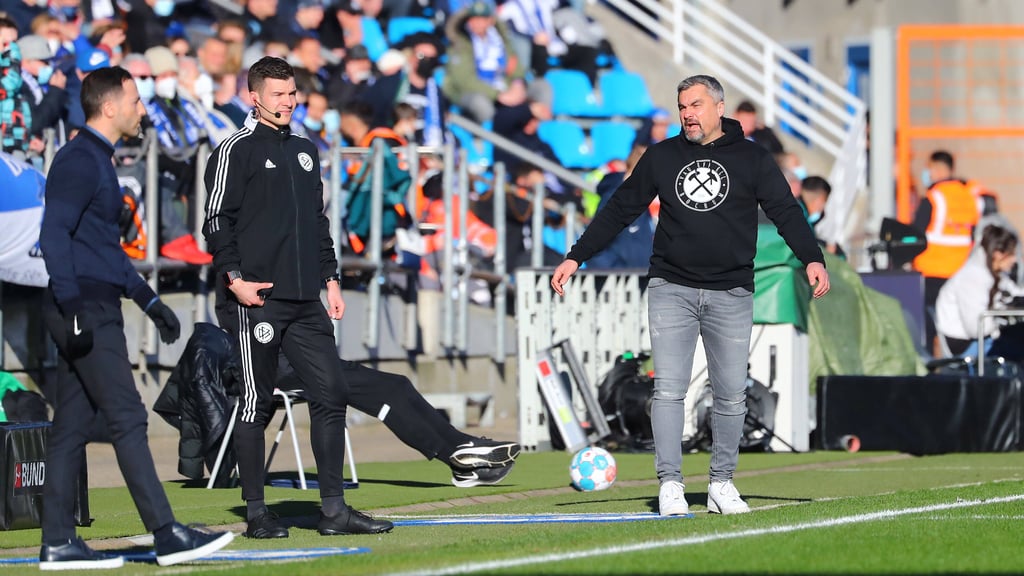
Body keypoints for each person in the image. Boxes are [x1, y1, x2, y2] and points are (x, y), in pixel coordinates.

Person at [550, 75, 829, 517]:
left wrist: (812, 258)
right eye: (682, 107)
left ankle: (721, 484)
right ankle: (671, 485)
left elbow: (785, 211)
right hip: (671, 287)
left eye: (695, 105)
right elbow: (621, 208)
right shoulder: (663, 156)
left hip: (732, 290)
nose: (687, 114)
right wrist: (575, 257)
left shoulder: (753, 158)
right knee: (668, 390)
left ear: (719, 107)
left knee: (732, 395)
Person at [37, 65, 234, 570]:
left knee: (71, 429)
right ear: (110, 107)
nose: (142, 110)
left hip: (93, 302)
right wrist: (72, 306)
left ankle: (58, 543)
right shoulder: (80, 160)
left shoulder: (98, 160)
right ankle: (166, 533)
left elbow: (105, 251)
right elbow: (53, 236)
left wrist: (149, 302)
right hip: (83, 307)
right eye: (136, 101)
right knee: (127, 417)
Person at [203, 56, 393, 539]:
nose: (286, 102)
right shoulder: (234, 150)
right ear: (255, 97)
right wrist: (234, 278)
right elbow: (216, 220)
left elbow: (317, 221)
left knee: (332, 394)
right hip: (256, 298)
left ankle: (334, 510)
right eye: (277, 94)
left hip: (307, 297)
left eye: (291, 94)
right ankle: (256, 513)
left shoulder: (306, 151)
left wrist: (330, 278)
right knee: (255, 404)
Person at [912, 150, 981, 355]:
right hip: (960, 273)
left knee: (928, 325)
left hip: (932, 272)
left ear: (939, 169)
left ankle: (929, 366)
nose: (928, 174)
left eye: (930, 169)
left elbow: (916, 233)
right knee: (955, 323)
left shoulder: (934, 197)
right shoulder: (969, 196)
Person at [935, 224, 1022, 358]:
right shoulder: (972, 277)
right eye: (1011, 254)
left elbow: (1016, 294)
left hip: (984, 338)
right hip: (966, 346)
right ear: (997, 254)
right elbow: (977, 328)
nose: (1015, 260)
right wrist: (1000, 319)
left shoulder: (994, 273)